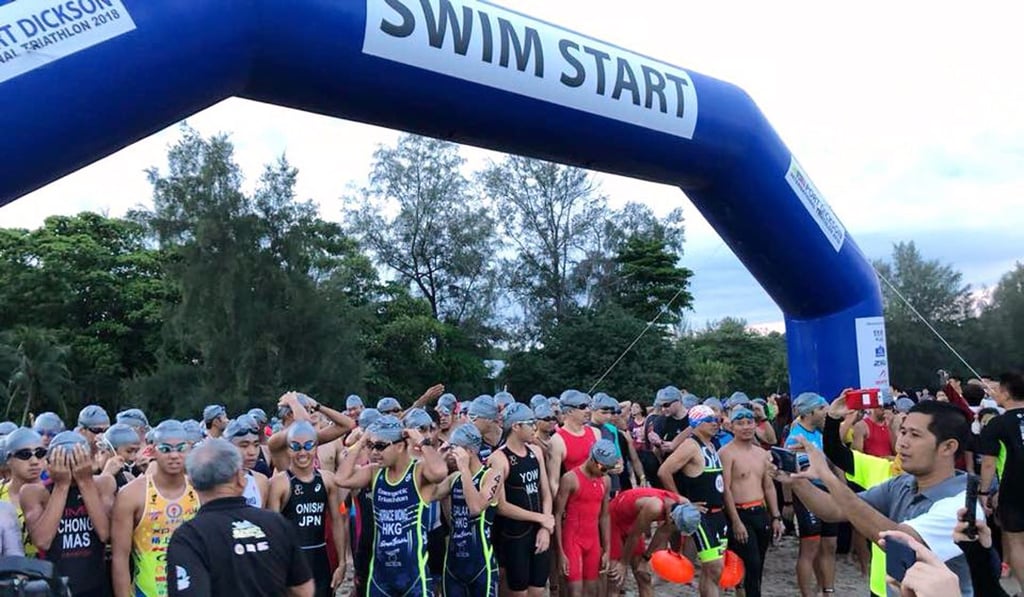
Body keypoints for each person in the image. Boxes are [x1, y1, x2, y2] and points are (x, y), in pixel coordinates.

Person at [778, 400, 979, 596]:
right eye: (902, 431)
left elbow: (900, 542)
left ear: (948, 447)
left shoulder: (961, 504)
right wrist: (795, 480)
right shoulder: (901, 483)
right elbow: (834, 510)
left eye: (915, 435)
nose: (902, 443)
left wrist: (827, 476)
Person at [166, 438, 314, 597]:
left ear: (192, 483)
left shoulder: (189, 537)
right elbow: (303, 590)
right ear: (240, 478)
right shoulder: (276, 524)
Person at [335, 415, 448, 597]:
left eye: (380, 446)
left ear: (400, 446)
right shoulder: (374, 473)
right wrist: (362, 441)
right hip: (381, 576)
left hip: (414, 577)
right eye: (371, 447)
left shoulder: (418, 472)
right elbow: (341, 479)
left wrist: (422, 442)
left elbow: (440, 472)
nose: (374, 453)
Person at [111, 420, 200, 597]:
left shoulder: (202, 489)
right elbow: (120, 557)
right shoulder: (131, 494)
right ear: (153, 451)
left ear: (190, 449)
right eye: (166, 449)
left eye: (181, 448)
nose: (174, 455)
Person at [21, 431, 116, 597]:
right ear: (49, 463)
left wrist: (85, 482)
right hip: (54, 587)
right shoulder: (34, 492)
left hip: (95, 585)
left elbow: (105, 534)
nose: (71, 469)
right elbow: (42, 542)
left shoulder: (103, 483)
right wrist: (61, 486)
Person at [267, 421, 346, 596]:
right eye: (296, 447)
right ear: (288, 450)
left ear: (316, 448)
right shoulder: (280, 483)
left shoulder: (327, 480)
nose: (302, 453)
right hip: (291, 561)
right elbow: (272, 531)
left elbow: (337, 521)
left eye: (308, 446)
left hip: (320, 559)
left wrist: (342, 563)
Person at [657, 405, 728, 597]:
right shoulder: (691, 445)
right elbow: (664, 471)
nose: (715, 424)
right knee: (714, 567)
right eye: (709, 421)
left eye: (716, 420)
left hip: (718, 514)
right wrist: (683, 501)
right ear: (696, 424)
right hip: (701, 515)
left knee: (712, 570)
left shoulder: (711, 445)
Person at [489, 403, 555, 597]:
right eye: (530, 423)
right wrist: (541, 518)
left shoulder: (536, 452)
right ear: (516, 426)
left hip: (539, 531)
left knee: (538, 590)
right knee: (518, 593)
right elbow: (501, 506)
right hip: (514, 535)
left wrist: (544, 526)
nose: (535, 427)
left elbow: (546, 493)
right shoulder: (499, 458)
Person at [720, 407, 784, 597]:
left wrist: (776, 517)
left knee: (758, 565)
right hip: (740, 513)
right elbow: (726, 490)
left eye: (749, 423)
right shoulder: (727, 453)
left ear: (756, 425)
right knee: (751, 563)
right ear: (732, 427)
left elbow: (769, 487)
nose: (746, 427)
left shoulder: (761, 454)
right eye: (740, 424)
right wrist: (736, 522)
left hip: (760, 512)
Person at [433, 424, 502, 597]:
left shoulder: (492, 476)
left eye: (454, 449)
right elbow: (425, 495)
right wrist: (437, 462)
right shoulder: (454, 478)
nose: (451, 453)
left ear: (469, 451)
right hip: (454, 564)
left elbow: (475, 508)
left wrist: (464, 468)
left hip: (480, 565)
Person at [782, 392, 838, 597]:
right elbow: (791, 475)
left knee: (830, 545)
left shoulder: (818, 433)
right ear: (810, 412)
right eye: (822, 409)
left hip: (827, 491)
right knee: (810, 547)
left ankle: (828, 590)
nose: (826, 413)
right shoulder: (796, 438)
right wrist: (788, 502)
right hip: (807, 495)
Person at [554, 439, 618, 597]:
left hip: (593, 541)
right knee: (574, 592)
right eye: (603, 468)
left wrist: (607, 549)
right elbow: (557, 515)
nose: (604, 472)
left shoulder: (605, 480)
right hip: (572, 540)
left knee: (592, 591)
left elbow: (604, 516)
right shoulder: (570, 478)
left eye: (608, 469)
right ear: (592, 459)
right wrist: (560, 552)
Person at [978, 371, 1024, 589]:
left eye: (996, 389)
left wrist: (984, 492)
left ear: (1006, 393)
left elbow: (988, 463)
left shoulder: (997, 424)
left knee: (1016, 541)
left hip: (1014, 488)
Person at [607, 488, 699, 597]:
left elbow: (662, 532)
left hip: (632, 521)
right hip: (614, 518)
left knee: (644, 577)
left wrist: (645, 559)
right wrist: (623, 563)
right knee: (616, 579)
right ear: (671, 517)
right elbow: (634, 536)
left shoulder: (684, 504)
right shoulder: (654, 507)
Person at [0, 427, 45, 557]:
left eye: (40, 453)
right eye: (25, 455)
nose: (34, 461)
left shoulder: (54, 493)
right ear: (8, 459)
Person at [547, 391, 600, 499]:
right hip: (575, 500)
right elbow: (553, 481)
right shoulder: (557, 440)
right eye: (583, 407)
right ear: (570, 411)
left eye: (588, 406)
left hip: (598, 494)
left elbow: (600, 467)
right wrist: (560, 508)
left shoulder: (596, 432)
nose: (588, 410)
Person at [225, 415, 271, 507]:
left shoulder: (261, 481)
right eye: (244, 446)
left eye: (256, 445)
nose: (252, 452)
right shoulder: (214, 482)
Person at [98, 423, 144, 489]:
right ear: (110, 449)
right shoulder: (90, 475)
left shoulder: (128, 478)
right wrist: (107, 475)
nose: (133, 457)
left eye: (136, 451)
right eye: (129, 451)